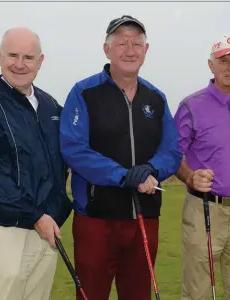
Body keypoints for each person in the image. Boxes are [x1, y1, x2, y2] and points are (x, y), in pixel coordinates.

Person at [59, 15, 182, 300]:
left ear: (146, 50)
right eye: (122, 43)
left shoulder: (156, 98)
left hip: (144, 217)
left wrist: (151, 168)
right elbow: (74, 149)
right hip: (96, 219)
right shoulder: (84, 92)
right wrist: (123, 175)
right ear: (107, 50)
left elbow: (172, 150)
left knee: (138, 294)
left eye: (137, 43)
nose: (130, 50)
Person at [0, 27, 73, 300]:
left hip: (46, 229)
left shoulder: (50, 107)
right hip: (5, 231)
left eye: (28, 57)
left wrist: (55, 210)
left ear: (40, 61)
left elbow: (63, 162)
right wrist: (34, 215)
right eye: (12, 55)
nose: (20, 64)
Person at [174, 35, 230, 300]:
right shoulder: (190, 106)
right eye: (223, 61)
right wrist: (190, 176)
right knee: (198, 292)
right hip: (204, 208)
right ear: (211, 65)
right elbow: (173, 156)